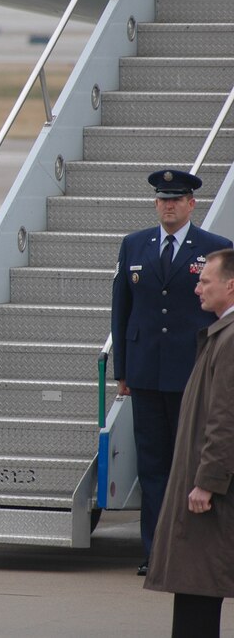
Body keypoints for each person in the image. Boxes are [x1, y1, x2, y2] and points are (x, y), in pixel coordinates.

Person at [111, 169, 233, 576]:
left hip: (192, 374)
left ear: (191, 204)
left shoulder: (215, 250)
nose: (168, 205)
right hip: (146, 372)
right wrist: (123, 371)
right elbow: (122, 309)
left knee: (193, 462)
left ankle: (192, 547)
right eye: (163, 199)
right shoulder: (134, 245)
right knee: (152, 466)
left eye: (176, 199)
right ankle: (155, 550)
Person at [144, 248, 234, 637]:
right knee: (199, 583)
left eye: (205, 281)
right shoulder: (222, 334)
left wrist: (207, 481)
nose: (197, 288)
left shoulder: (230, 340)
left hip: (214, 490)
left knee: (197, 584)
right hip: (212, 482)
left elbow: (225, 417)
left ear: (230, 286)